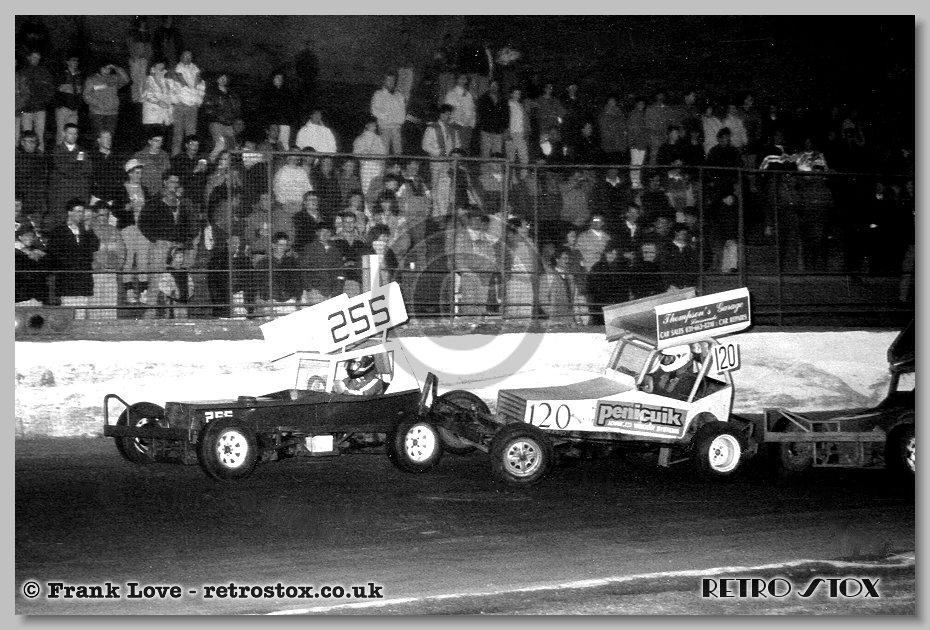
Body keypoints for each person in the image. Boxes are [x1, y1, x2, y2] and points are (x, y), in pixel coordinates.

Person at [46, 198, 100, 319]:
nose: (81, 214)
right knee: (68, 315)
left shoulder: (85, 231)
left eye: (82, 212)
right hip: (67, 281)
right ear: (69, 212)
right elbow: (53, 255)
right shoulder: (58, 232)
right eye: (78, 211)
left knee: (81, 315)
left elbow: (95, 246)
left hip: (83, 281)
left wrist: (88, 230)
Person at [170, 49, 206, 156]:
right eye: (185, 56)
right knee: (178, 135)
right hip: (180, 105)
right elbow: (173, 87)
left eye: (189, 56)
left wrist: (198, 102)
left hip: (192, 106)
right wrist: (176, 101)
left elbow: (201, 87)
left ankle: (190, 159)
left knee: (191, 135)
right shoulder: (176, 70)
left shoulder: (196, 70)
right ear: (181, 57)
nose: (187, 58)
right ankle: (175, 158)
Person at [20, 50, 56, 153]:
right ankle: (27, 156)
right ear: (28, 57)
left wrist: (45, 101)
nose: (36, 60)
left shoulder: (44, 73)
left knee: (40, 134)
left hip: (40, 109)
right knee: (27, 135)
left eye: (38, 58)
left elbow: (50, 88)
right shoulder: (22, 72)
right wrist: (22, 104)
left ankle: (39, 157)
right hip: (26, 109)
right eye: (34, 57)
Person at [83, 61, 129, 138]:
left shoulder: (114, 78)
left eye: (109, 69)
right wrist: (99, 103)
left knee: (109, 137)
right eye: (104, 68)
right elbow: (86, 95)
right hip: (97, 113)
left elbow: (126, 80)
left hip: (112, 113)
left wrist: (116, 67)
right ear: (99, 68)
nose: (107, 71)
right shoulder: (92, 79)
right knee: (99, 137)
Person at [203, 71, 244, 151]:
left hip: (229, 124)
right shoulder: (212, 92)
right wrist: (218, 117)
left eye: (225, 78)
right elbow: (208, 108)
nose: (223, 80)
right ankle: (213, 159)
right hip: (217, 123)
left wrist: (235, 118)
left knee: (231, 147)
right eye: (221, 78)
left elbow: (237, 106)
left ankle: (226, 160)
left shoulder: (231, 93)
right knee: (220, 146)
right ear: (217, 79)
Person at [353, 116, 387, 205]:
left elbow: (383, 154)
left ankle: (375, 208)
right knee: (366, 189)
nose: (374, 127)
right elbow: (357, 153)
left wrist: (382, 167)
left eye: (375, 125)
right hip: (366, 166)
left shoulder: (378, 138)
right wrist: (367, 154)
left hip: (377, 166)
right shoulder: (360, 138)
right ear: (366, 125)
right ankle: (367, 210)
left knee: (377, 189)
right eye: (371, 125)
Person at [370, 72, 407, 155]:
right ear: (384, 81)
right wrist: (386, 117)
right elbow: (374, 110)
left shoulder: (399, 95)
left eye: (393, 80)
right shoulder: (378, 94)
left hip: (397, 128)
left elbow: (402, 110)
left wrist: (400, 120)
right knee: (384, 151)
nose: (391, 82)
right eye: (388, 80)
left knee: (398, 151)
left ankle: (397, 163)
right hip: (384, 127)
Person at [54, 53, 84, 146]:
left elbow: (81, 90)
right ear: (67, 62)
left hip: (74, 108)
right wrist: (58, 104)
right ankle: (59, 152)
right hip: (63, 107)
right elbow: (55, 89)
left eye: (77, 61)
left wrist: (79, 104)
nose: (75, 62)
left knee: (72, 132)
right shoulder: (61, 74)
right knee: (61, 132)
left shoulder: (80, 75)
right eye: (73, 60)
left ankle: (70, 152)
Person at [140, 59, 175, 138]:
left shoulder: (167, 81)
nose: (163, 71)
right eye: (160, 69)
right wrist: (158, 102)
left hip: (165, 118)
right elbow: (146, 95)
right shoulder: (148, 80)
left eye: (164, 69)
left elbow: (173, 95)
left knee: (164, 140)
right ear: (153, 69)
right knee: (152, 139)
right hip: (152, 118)